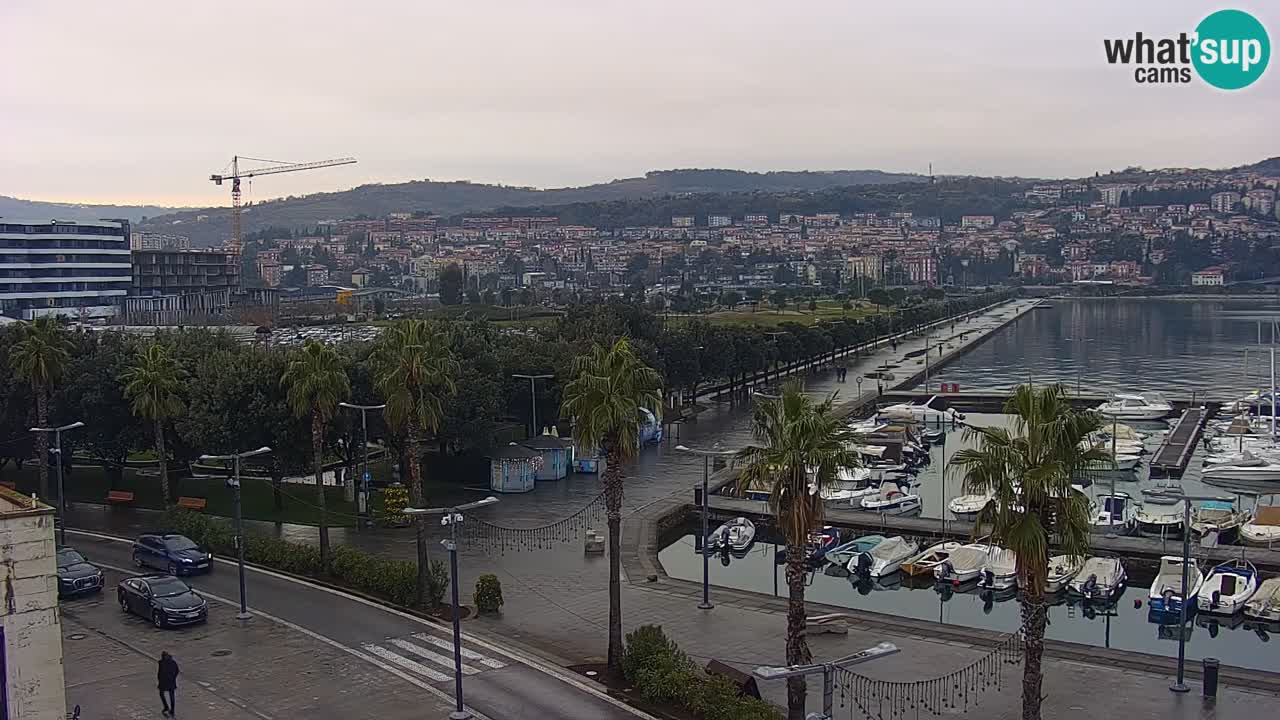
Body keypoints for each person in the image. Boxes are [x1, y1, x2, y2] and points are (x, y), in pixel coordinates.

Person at [158, 651, 180, 716]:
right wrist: (173, 677)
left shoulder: (161, 663)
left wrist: (159, 680)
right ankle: (172, 710)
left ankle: (166, 706)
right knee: (172, 695)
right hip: (171, 681)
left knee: (161, 693)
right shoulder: (173, 662)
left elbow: (160, 673)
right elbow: (177, 671)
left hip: (163, 681)